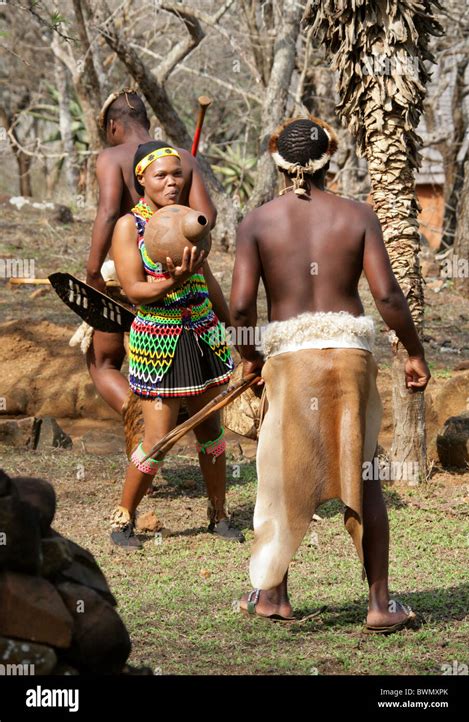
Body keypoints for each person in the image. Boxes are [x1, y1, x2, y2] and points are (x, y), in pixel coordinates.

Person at [230, 116, 430, 632]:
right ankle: (380, 604)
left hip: (290, 359)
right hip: (349, 355)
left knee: (278, 473)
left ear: (278, 159)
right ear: (329, 160)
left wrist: (250, 358)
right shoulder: (358, 215)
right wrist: (412, 351)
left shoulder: (257, 222)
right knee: (364, 475)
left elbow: (241, 306)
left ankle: (272, 595)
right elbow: (386, 295)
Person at [109, 141, 244, 548]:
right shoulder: (128, 226)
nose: (171, 182)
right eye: (161, 175)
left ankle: (218, 515)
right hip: (159, 340)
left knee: (211, 428)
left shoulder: (187, 219)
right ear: (141, 180)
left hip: (203, 332)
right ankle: (122, 518)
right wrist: (176, 282)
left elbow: (207, 277)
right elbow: (134, 289)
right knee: (159, 436)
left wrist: (233, 323)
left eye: (177, 174)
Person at [85, 88, 216, 415]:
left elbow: (108, 214)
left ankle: (143, 420)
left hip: (127, 276)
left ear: (113, 127)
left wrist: (92, 274)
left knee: (103, 362)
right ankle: (167, 413)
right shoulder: (182, 158)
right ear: (147, 120)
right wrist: (178, 234)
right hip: (182, 274)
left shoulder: (110, 158)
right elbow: (207, 217)